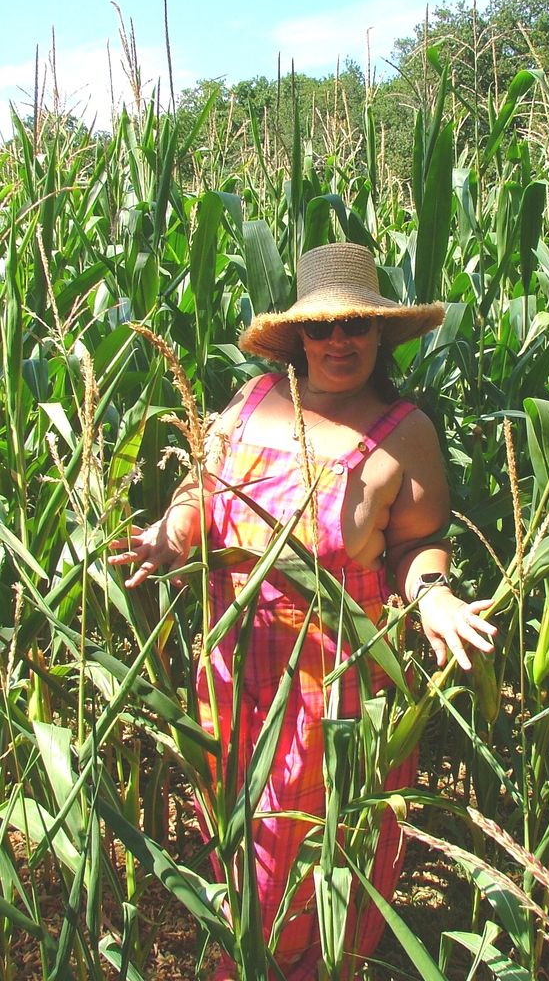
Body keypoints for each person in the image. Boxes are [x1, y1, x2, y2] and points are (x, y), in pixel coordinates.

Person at [109, 242, 496, 980]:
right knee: (236, 866)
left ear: (380, 333)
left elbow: (420, 544)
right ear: (299, 336)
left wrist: (433, 594)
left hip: (333, 704)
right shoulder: (252, 400)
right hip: (231, 685)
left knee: (308, 885)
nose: (339, 340)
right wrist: (170, 535)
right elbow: (200, 489)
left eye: (355, 323)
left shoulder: (403, 430)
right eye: (322, 327)